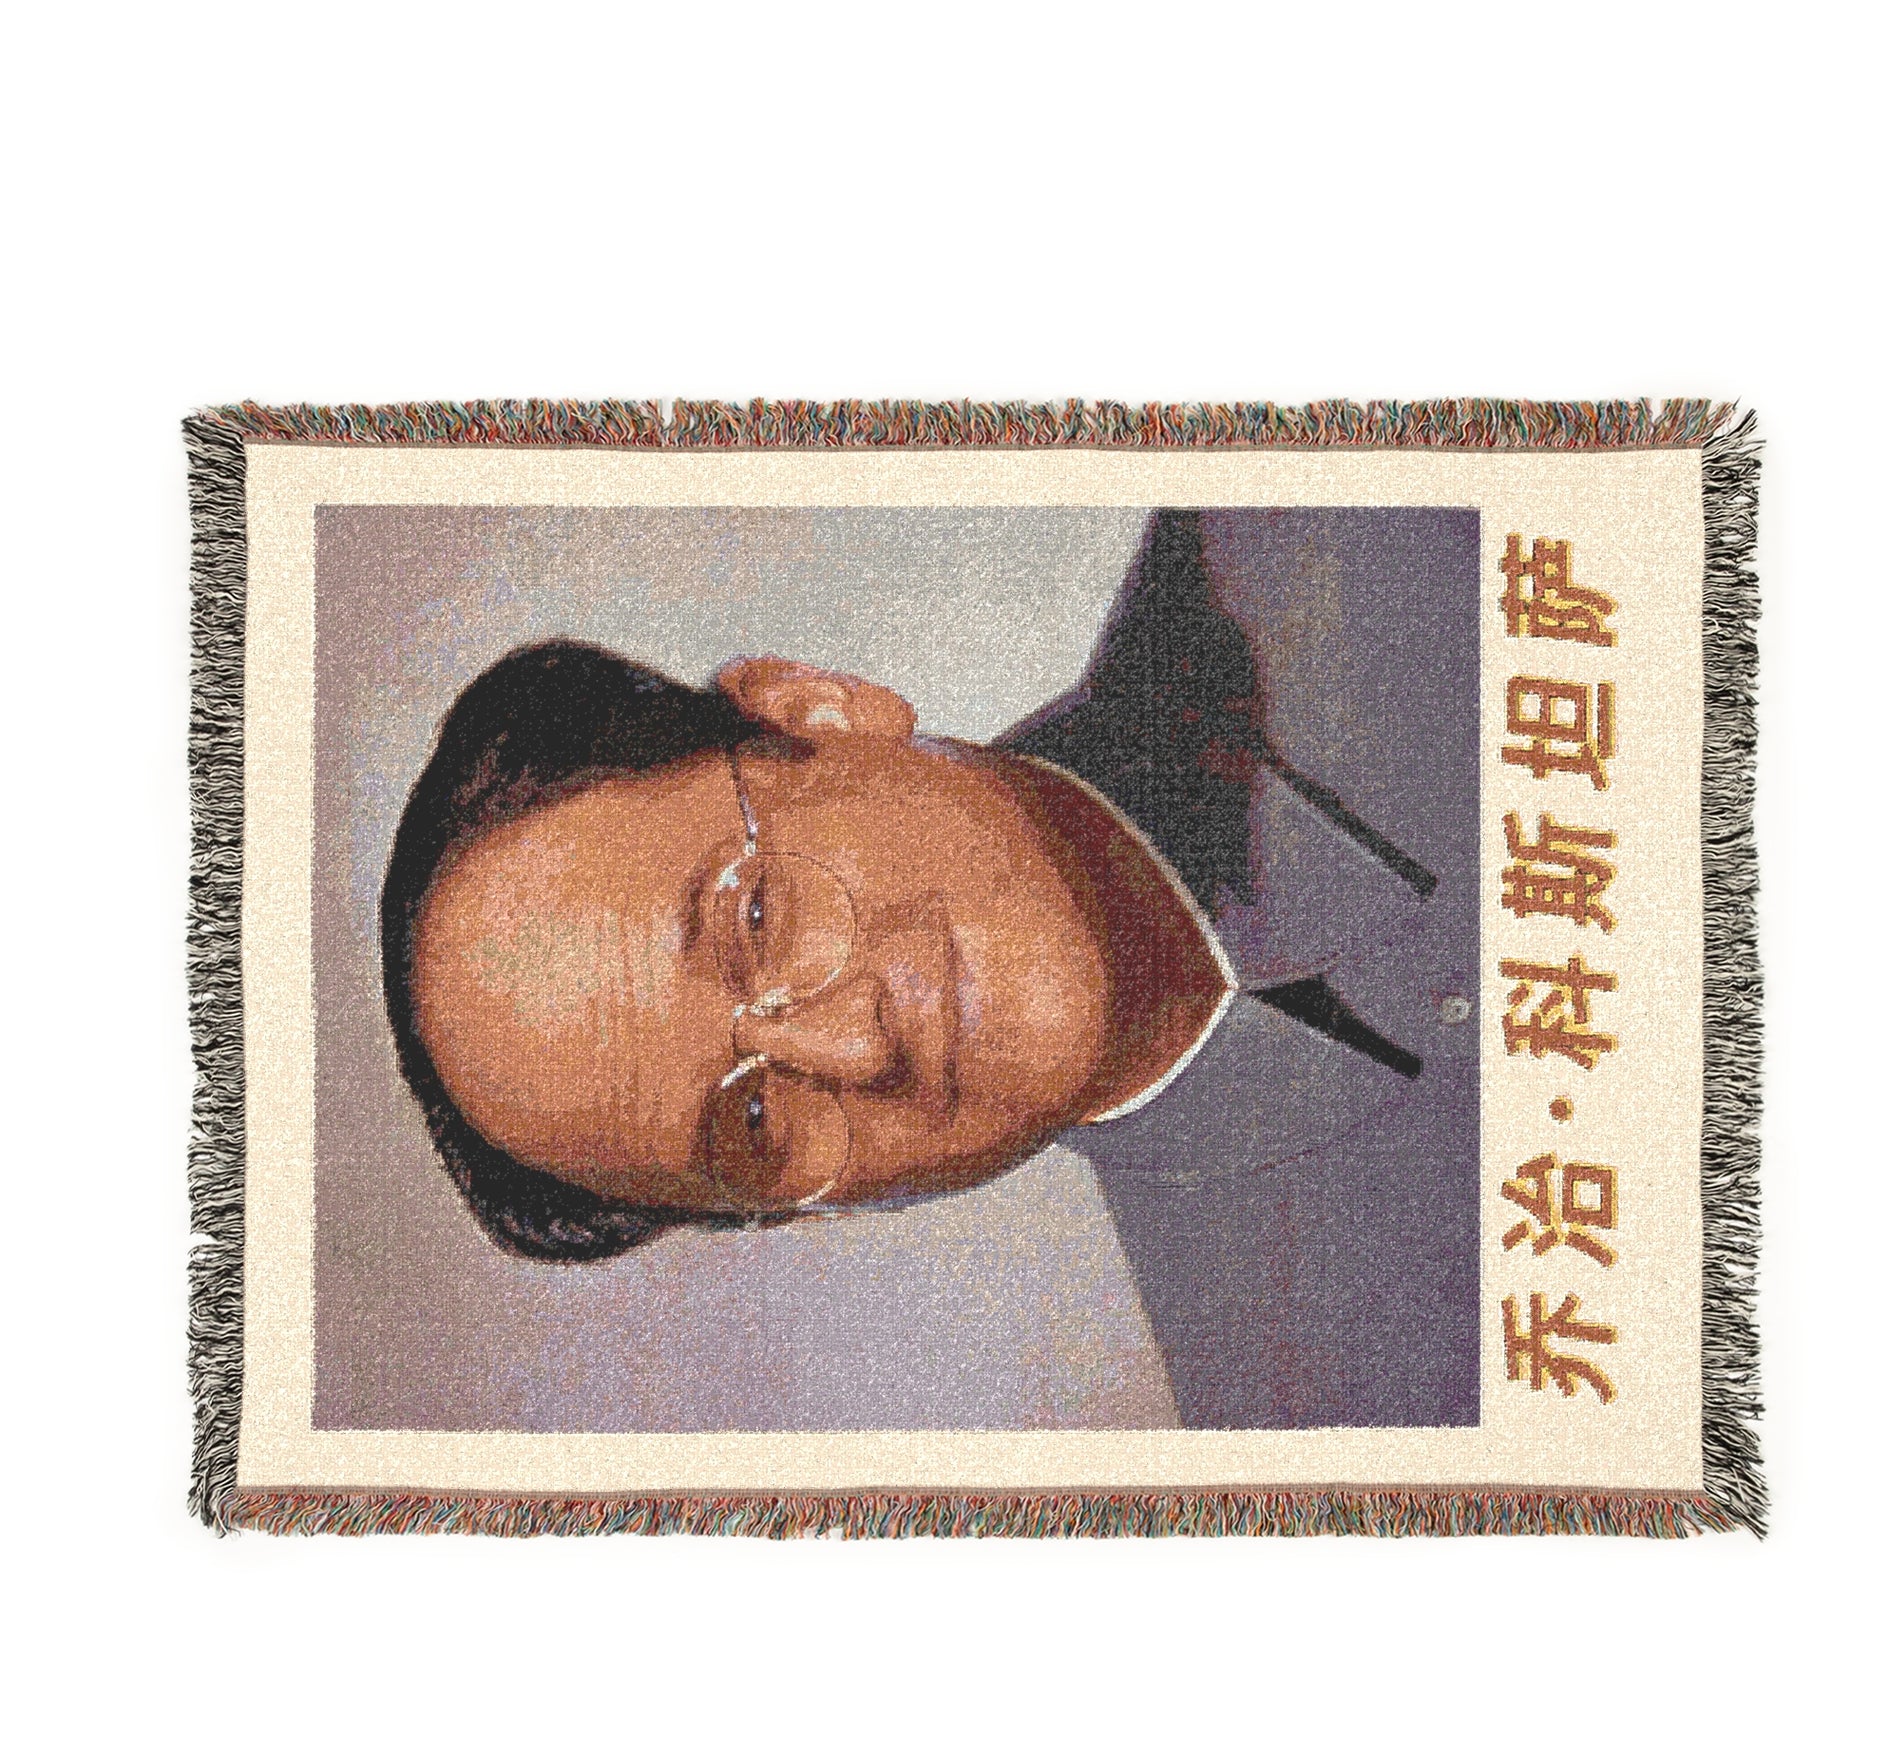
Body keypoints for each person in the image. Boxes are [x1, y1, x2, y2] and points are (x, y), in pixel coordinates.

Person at [382, 508, 1480, 1426]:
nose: (854, 1046)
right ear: (810, 1215)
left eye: (759, 918)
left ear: (818, 710)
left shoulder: (1368, 523)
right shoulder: (1315, 1417)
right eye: (755, 1123)